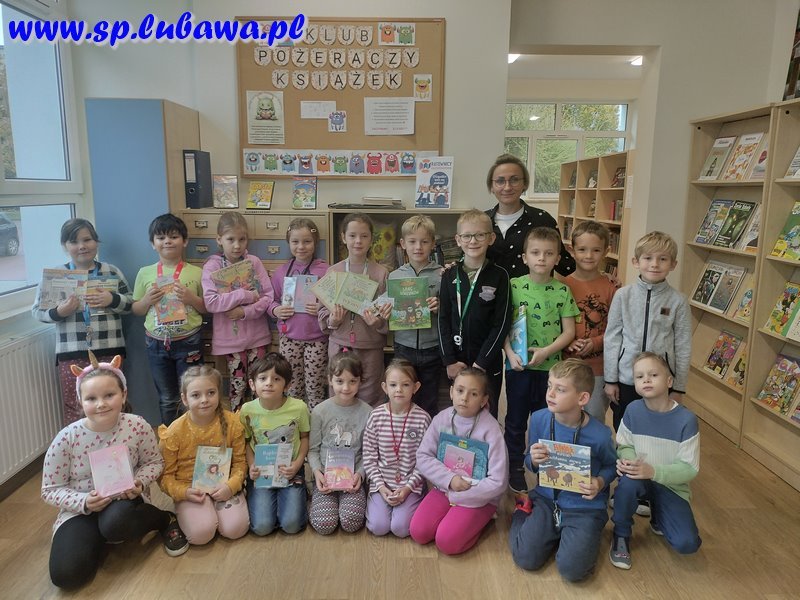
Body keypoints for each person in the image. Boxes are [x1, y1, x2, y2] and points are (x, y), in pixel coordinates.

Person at [42, 353, 188, 589]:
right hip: (80, 511)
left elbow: (154, 462)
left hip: (124, 501)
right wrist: (84, 502)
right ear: (80, 401)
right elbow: (50, 489)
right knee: (66, 576)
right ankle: (99, 536)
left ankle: (163, 519)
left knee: (116, 523)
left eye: (109, 395)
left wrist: (139, 482)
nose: (101, 404)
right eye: (91, 398)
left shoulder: (136, 425)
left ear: (124, 395)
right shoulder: (66, 438)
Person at [509, 358, 616, 582]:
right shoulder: (539, 419)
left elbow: (611, 466)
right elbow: (529, 461)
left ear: (582, 398)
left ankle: (574, 534)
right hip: (546, 500)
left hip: (584, 507)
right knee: (525, 558)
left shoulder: (600, 434)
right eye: (550, 385)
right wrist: (533, 461)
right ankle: (523, 513)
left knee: (572, 572)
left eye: (560, 389)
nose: (550, 393)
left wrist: (599, 483)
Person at [32, 218, 133, 425]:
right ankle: (79, 444)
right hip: (71, 352)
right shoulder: (56, 276)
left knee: (113, 400)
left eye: (87, 240)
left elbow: (131, 303)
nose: (82, 246)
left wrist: (112, 299)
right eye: (74, 241)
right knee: (76, 403)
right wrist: (60, 311)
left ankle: (115, 442)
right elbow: (37, 312)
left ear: (96, 241)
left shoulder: (111, 272)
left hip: (110, 350)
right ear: (65, 246)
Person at [609, 352, 702, 570]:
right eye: (640, 376)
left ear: (669, 381)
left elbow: (689, 469)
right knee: (627, 483)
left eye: (653, 375)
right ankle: (621, 534)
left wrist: (653, 472)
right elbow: (625, 445)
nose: (646, 380)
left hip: (670, 485)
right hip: (639, 479)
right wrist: (629, 461)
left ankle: (658, 516)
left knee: (687, 543)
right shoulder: (632, 410)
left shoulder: (686, 420)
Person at [504, 226, 579, 493]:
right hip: (517, 366)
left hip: (551, 371)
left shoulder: (562, 291)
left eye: (548, 253)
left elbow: (569, 332)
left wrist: (546, 351)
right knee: (515, 420)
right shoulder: (513, 286)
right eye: (535, 253)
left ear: (557, 258)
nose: (541, 258)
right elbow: (502, 327)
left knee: (546, 419)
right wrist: (509, 353)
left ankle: (546, 470)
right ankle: (515, 467)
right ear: (524, 257)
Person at [409, 367, 509, 555]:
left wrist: (460, 496)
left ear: (484, 400)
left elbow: (499, 481)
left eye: (473, 394)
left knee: (446, 543)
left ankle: (484, 518)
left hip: (479, 497)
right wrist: (449, 480)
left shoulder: (492, 430)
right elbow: (423, 456)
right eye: (460, 390)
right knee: (419, 532)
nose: (464, 398)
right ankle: (455, 518)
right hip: (445, 488)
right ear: (451, 392)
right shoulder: (441, 419)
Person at [604, 231, 691, 431]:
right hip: (627, 378)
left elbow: (683, 346)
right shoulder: (622, 296)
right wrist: (610, 379)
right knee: (624, 427)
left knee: (657, 428)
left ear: (673, 264)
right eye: (648, 258)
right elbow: (612, 339)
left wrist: (678, 388)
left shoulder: (678, 301)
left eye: (663, 259)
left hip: (662, 381)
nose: (655, 264)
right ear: (636, 262)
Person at [158, 365, 249, 546]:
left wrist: (230, 486)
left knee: (236, 529)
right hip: (190, 489)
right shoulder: (174, 432)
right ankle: (194, 512)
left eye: (211, 393)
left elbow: (240, 463)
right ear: (184, 399)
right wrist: (184, 493)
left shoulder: (232, 423)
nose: (204, 400)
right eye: (196, 395)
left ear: (218, 393)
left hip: (223, 484)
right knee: (201, 534)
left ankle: (224, 506)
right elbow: (165, 476)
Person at [132, 214, 205, 426]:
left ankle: (194, 437)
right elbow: (136, 309)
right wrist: (146, 300)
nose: (167, 242)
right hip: (156, 343)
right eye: (161, 237)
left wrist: (191, 299)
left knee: (193, 393)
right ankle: (171, 439)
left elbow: (207, 308)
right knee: (167, 398)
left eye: (173, 237)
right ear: (152, 243)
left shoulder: (197, 272)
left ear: (185, 241)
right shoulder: (145, 273)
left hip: (189, 341)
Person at [438, 209, 512, 418]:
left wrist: (482, 362)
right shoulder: (449, 275)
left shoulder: (500, 276)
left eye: (480, 235)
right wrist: (449, 361)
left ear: (491, 238)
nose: (473, 241)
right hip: (457, 360)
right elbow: (443, 320)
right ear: (458, 240)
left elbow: (502, 323)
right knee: (458, 412)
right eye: (467, 236)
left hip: (487, 361)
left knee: (487, 413)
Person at [201, 212, 274, 411]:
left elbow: (268, 296)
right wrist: (245, 294)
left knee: (260, 384)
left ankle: (260, 420)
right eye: (230, 239)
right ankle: (237, 421)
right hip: (231, 341)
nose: (237, 245)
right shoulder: (212, 266)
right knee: (238, 385)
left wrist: (245, 311)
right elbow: (211, 303)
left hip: (257, 337)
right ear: (219, 240)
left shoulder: (253, 262)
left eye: (242, 239)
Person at [318, 213, 392, 406]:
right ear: (343, 238)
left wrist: (378, 322)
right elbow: (322, 311)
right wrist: (333, 320)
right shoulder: (333, 272)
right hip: (339, 346)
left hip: (370, 348)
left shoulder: (381, 273)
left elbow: (388, 315)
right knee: (339, 396)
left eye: (364, 236)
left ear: (371, 239)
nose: (358, 241)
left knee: (370, 397)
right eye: (352, 235)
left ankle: (369, 427)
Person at [240, 353, 310, 535]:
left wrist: (297, 464)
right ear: (252, 384)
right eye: (263, 378)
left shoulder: (299, 407)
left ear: (287, 385)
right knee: (262, 527)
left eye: (276, 379)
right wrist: (251, 465)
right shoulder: (247, 410)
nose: (269, 383)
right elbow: (245, 442)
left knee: (292, 525)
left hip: (290, 470)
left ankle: (299, 494)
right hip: (261, 472)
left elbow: (304, 437)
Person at [363, 359, 431, 537]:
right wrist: (381, 486)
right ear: (385, 387)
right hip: (381, 484)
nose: (399, 390)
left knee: (400, 529)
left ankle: (416, 500)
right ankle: (378, 502)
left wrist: (407, 488)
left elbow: (425, 460)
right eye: (393, 385)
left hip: (411, 485)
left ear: (415, 387)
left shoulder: (423, 419)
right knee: (379, 527)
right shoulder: (376, 416)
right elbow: (369, 458)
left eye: (405, 385)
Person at [308, 350, 373, 534]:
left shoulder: (368, 412)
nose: (346, 387)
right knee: (324, 524)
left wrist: (360, 474)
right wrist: (317, 473)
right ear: (330, 380)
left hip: (352, 480)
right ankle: (311, 501)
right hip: (325, 480)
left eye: (352, 381)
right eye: (340, 381)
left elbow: (369, 452)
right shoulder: (320, 411)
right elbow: (313, 450)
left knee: (351, 522)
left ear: (360, 381)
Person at [268, 218, 330, 410]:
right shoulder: (281, 272)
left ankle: (315, 425)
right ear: (288, 242)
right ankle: (296, 423)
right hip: (289, 339)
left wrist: (321, 307)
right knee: (292, 388)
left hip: (317, 340)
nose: (301, 247)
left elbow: (333, 302)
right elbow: (270, 300)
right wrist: (276, 310)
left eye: (307, 241)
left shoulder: (325, 270)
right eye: (295, 241)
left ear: (315, 242)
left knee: (315, 389)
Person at [484, 154, 575, 279]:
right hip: (488, 291)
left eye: (514, 180)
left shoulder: (542, 220)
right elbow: (466, 261)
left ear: (525, 184)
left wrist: (591, 266)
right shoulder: (481, 222)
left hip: (534, 292)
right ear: (491, 186)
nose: (507, 187)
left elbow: (564, 264)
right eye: (500, 181)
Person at [563, 221, 619, 423]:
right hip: (567, 366)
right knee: (565, 416)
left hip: (599, 368)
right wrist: (568, 342)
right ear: (571, 251)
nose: (588, 255)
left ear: (606, 251)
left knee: (594, 418)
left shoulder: (613, 288)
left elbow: (617, 329)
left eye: (596, 250)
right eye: (582, 249)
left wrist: (595, 343)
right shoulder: (562, 286)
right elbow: (555, 326)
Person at [389, 215, 444, 416]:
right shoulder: (395, 276)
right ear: (403, 244)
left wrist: (440, 307)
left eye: (424, 241)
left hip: (432, 348)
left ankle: (427, 434)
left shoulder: (442, 275)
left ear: (433, 244)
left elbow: (452, 313)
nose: (418, 247)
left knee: (429, 400)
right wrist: (386, 310)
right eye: (412, 241)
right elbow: (388, 310)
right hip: (403, 347)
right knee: (402, 398)